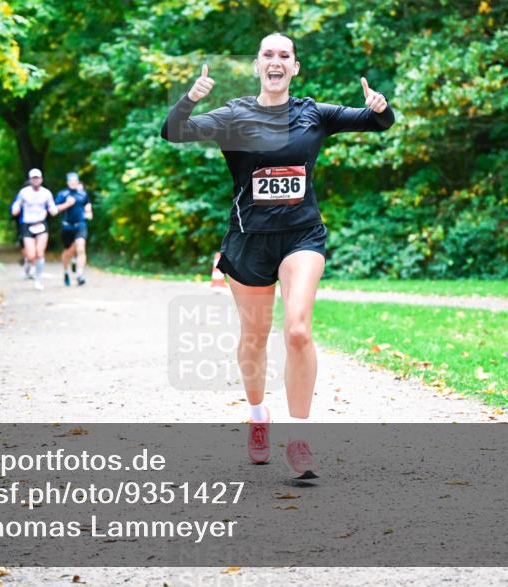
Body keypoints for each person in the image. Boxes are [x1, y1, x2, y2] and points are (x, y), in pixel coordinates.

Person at [160, 33, 395, 478]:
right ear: (256, 65)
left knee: (299, 330)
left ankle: (301, 437)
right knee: (254, 335)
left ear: (294, 67)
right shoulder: (234, 115)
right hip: (249, 240)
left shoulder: (314, 113)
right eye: (268, 54)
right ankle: (258, 417)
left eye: (283, 55)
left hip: (301, 236)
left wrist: (381, 108)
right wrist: (190, 98)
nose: (275, 61)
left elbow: (378, 123)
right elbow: (173, 132)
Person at [10, 168, 58, 290]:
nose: (36, 180)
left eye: (37, 178)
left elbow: (52, 206)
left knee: (40, 253)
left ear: (41, 179)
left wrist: (53, 210)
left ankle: (38, 280)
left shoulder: (46, 193)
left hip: (41, 224)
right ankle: (27, 267)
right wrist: (15, 210)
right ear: (30, 180)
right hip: (28, 225)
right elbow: (17, 204)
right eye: (33, 178)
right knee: (31, 255)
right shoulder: (24, 192)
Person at [55, 172, 92, 287]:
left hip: (80, 224)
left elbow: (87, 206)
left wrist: (88, 213)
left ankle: (79, 275)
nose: (73, 183)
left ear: (77, 182)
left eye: (75, 181)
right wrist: (67, 204)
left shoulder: (83, 194)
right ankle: (66, 271)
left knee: (81, 248)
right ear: (67, 182)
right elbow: (55, 209)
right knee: (68, 252)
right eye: (71, 181)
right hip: (67, 226)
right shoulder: (63, 194)